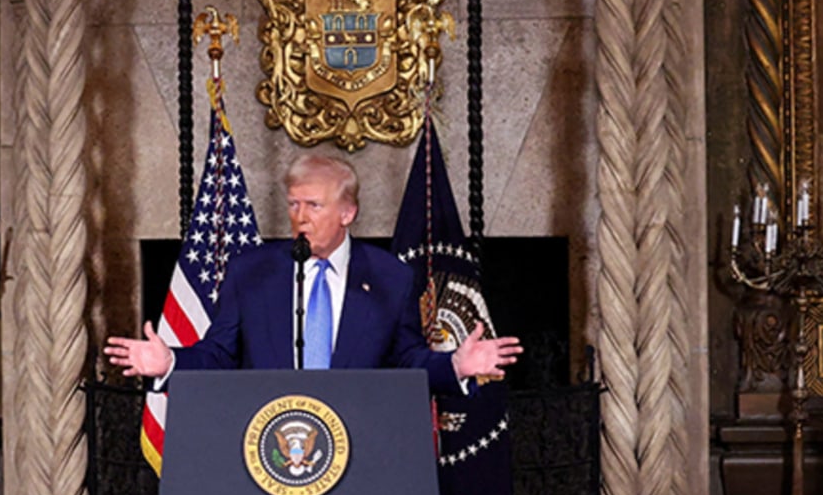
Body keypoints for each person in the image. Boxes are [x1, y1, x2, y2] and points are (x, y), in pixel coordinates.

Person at [104, 152, 521, 388]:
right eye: (294, 204)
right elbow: (219, 355)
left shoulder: (390, 278)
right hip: (267, 442)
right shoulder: (251, 271)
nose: (300, 217)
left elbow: (408, 362)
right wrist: (170, 362)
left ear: (347, 213)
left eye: (314, 206)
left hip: (357, 445)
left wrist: (454, 365)